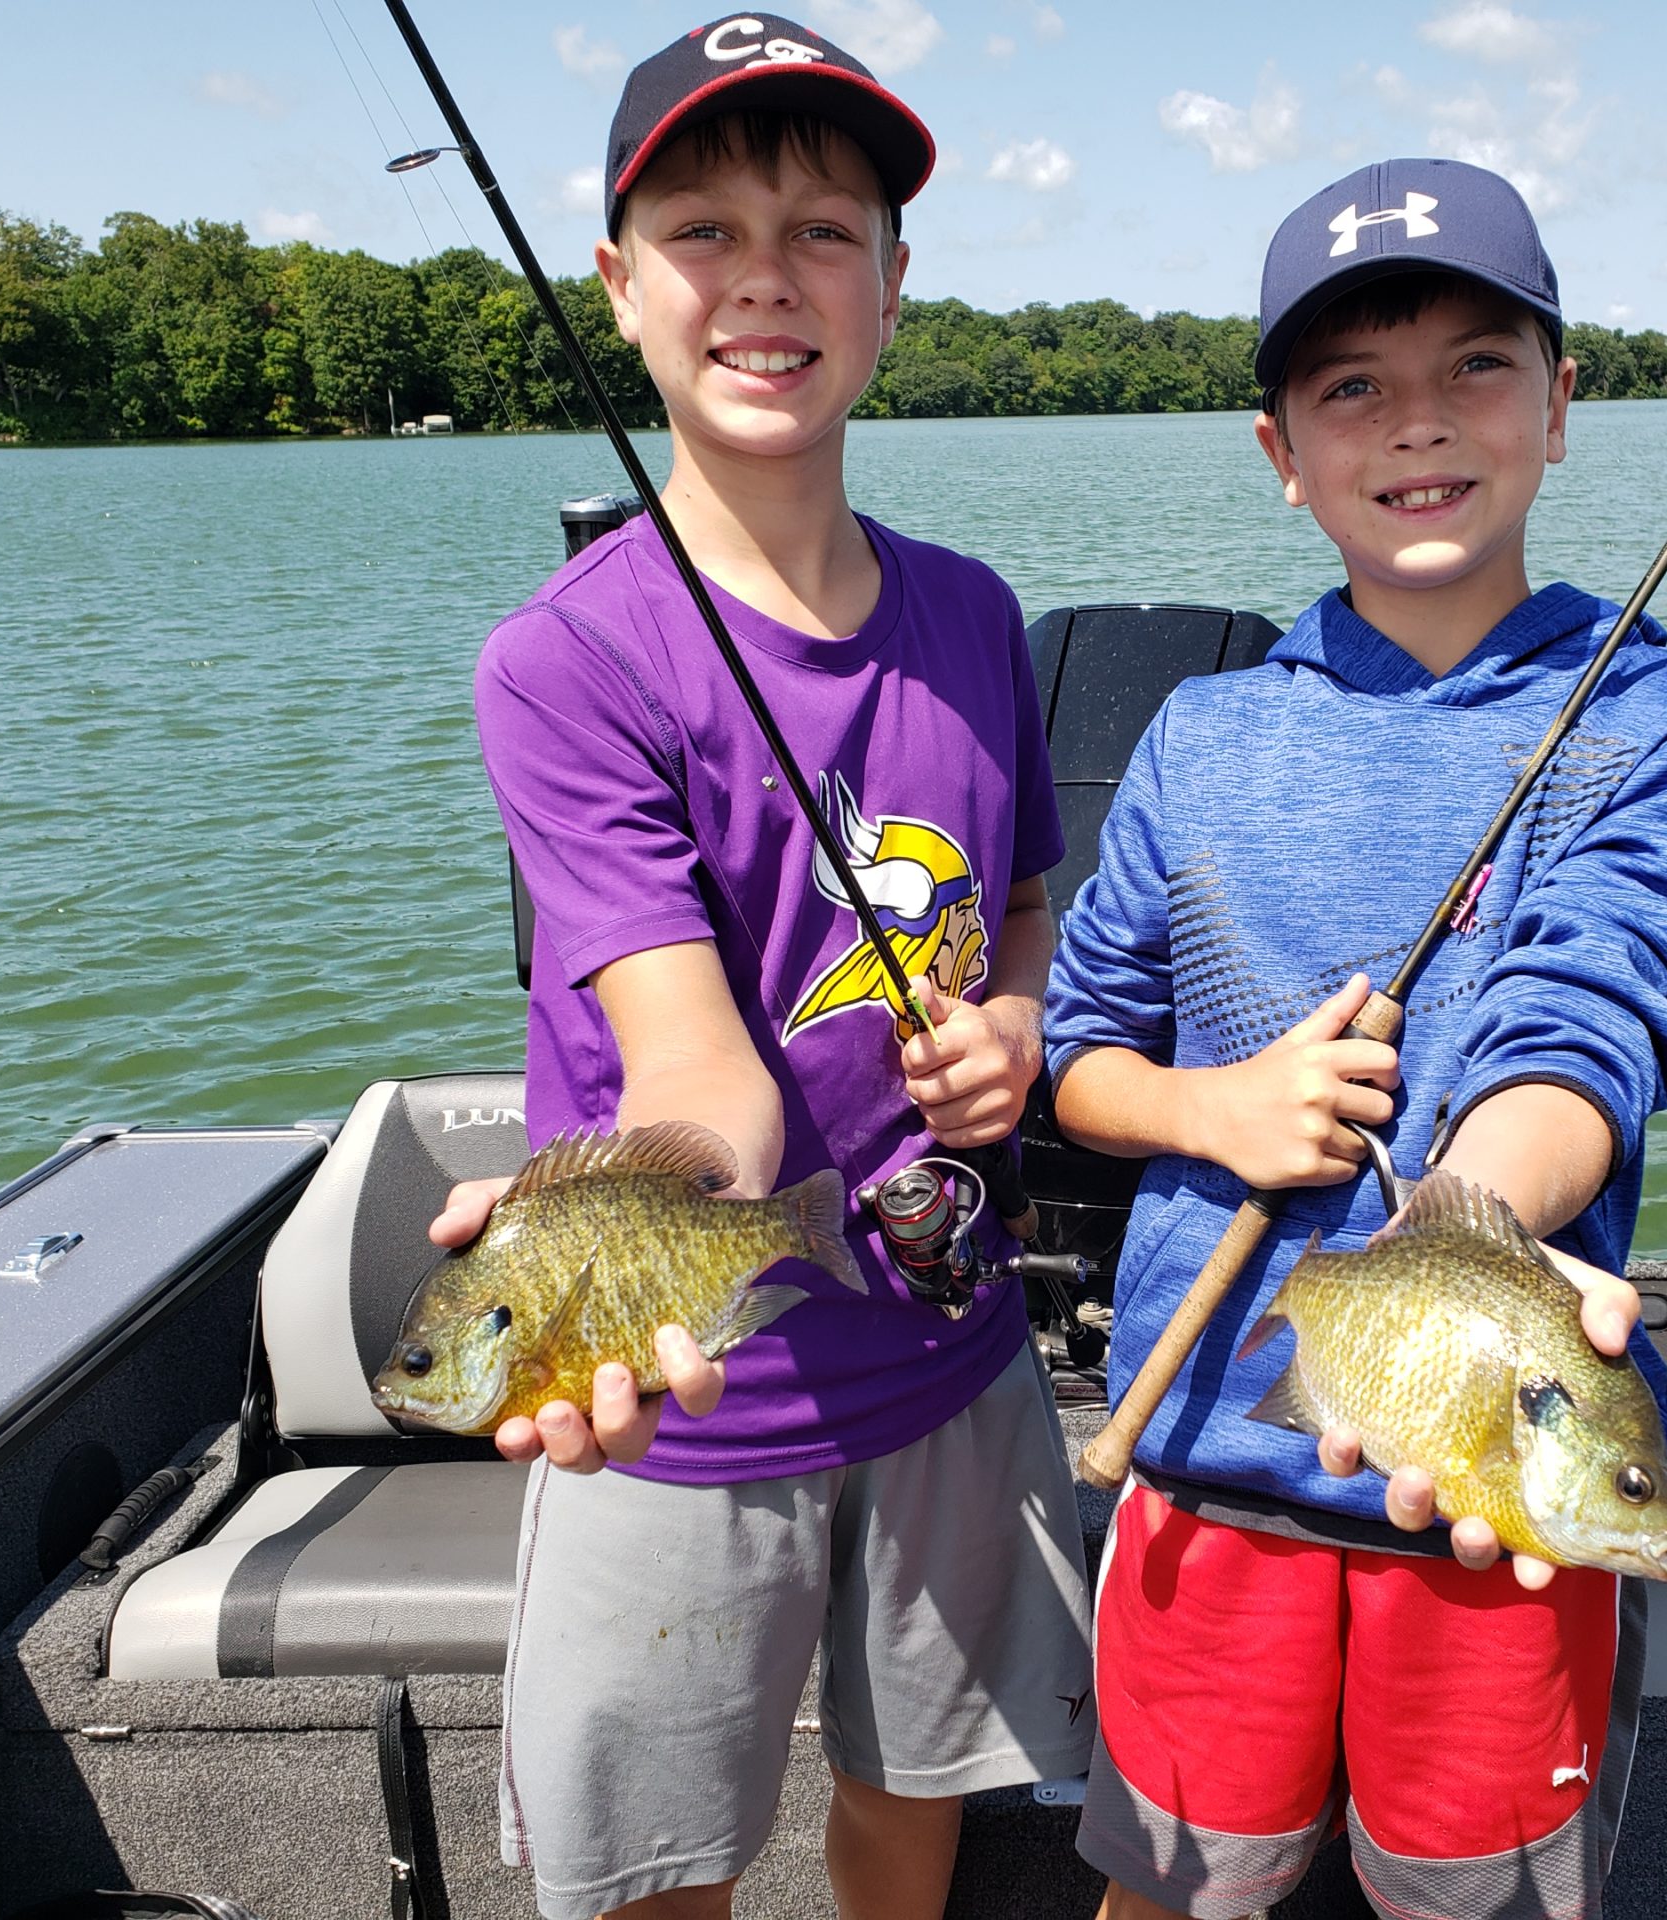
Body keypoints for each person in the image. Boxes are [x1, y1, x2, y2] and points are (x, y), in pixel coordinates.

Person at [425, 17, 1094, 1918]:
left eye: (821, 228)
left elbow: (1020, 899)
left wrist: (1020, 1027)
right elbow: (692, 1068)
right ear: (622, 285)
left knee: (920, 1805)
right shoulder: (563, 663)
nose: (765, 279)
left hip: (962, 1356)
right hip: (697, 1400)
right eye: (704, 231)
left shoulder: (974, 611)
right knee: (657, 1869)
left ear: (894, 281)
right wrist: (637, 1228)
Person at [1041, 157, 1667, 1920]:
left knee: (1478, 1891)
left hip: (1502, 1502)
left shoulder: (1661, 722)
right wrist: (1219, 1107)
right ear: (1283, 451)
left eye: (1476, 365)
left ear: (1562, 404)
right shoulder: (1201, 737)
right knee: (1177, 1885)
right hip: (1205, 1451)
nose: (1418, 423)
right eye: (1353, 385)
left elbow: (1589, 1009)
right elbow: (1080, 1057)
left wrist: (1478, 1227)